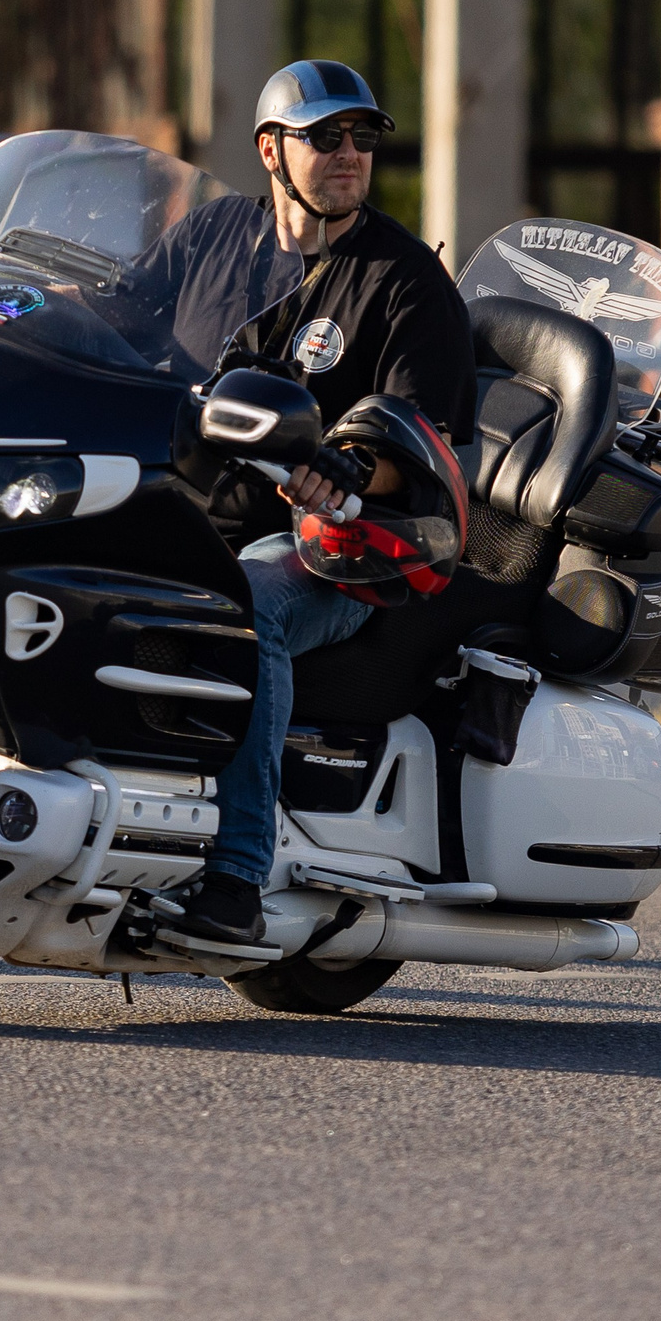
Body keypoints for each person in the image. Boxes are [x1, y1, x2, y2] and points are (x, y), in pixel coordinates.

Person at [149, 60, 477, 946]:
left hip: (328, 549)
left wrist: (339, 467)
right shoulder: (215, 236)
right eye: (327, 136)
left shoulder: (405, 282)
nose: (349, 154)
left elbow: (416, 447)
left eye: (363, 138)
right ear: (270, 149)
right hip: (178, 510)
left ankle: (236, 880)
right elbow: (120, 318)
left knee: (250, 609)